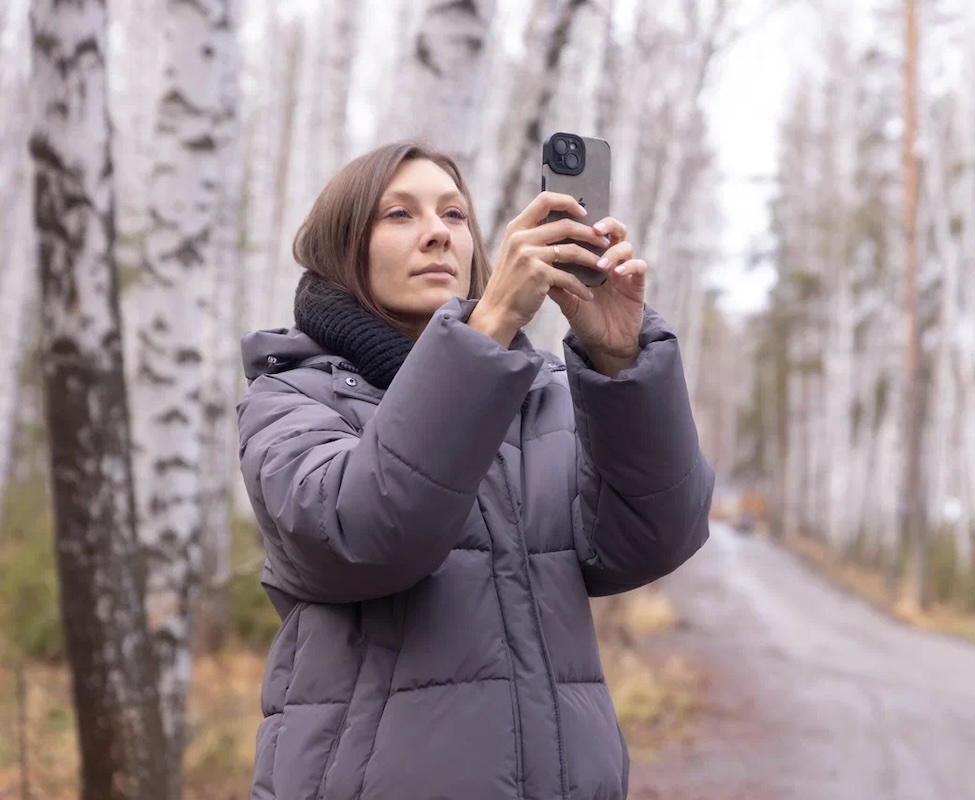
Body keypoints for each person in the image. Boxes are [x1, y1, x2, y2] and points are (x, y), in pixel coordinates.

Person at [237, 141, 714, 800]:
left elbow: (650, 541)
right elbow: (360, 539)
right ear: (343, 250)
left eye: (455, 215)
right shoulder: (292, 396)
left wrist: (618, 365)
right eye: (399, 215)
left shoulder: (540, 394)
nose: (437, 232)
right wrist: (485, 332)